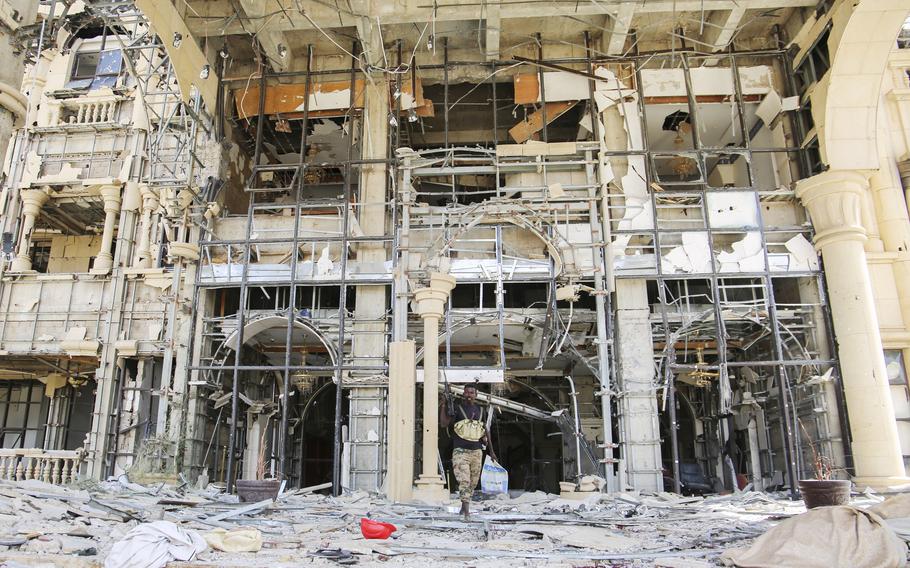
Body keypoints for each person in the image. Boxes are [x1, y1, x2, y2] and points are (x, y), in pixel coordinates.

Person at [439, 382, 497, 519]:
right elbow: (444, 423)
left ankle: (463, 507)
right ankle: (466, 512)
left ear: (476, 395)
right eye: (466, 392)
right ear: (463, 394)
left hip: (477, 452)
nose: (469, 395)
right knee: (464, 480)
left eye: (471, 393)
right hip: (460, 451)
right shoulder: (457, 409)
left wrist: (491, 451)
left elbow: (485, 430)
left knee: (473, 482)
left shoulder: (481, 410)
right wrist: (443, 405)